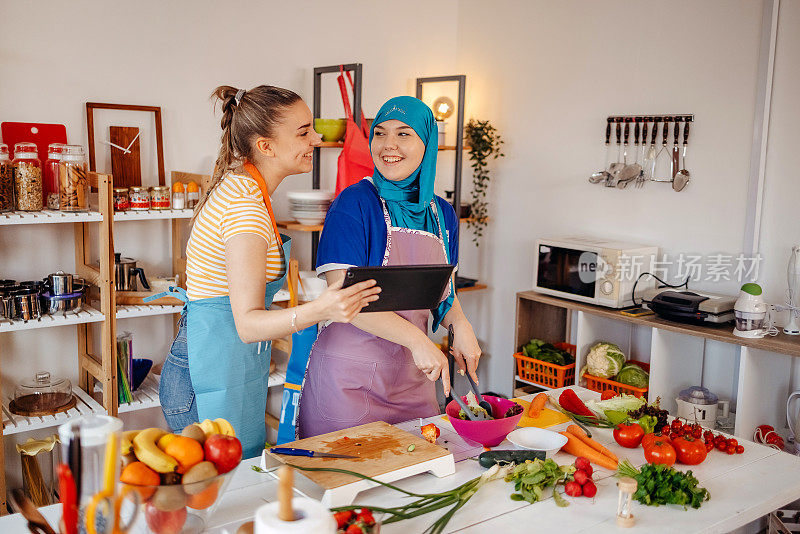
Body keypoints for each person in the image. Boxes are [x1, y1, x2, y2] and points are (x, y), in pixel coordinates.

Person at [159, 85, 380, 458]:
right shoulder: (245, 207)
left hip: (213, 362)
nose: (317, 137)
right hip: (207, 379)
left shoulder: (245, 191)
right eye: (303, 132)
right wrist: (322, 308)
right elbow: (247, 324)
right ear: (265, 146)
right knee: (223, 501)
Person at [297, 96, 482, 438]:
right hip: (349, 384)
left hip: (413, 381)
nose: (388, 145)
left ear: (427, 143)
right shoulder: (353, 204)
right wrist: (418, 340)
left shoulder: (443, 215)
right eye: (380, 134)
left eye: (404, 134)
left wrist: (461, 323)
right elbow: (344, 301)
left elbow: (443, 290)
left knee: (421, 482)